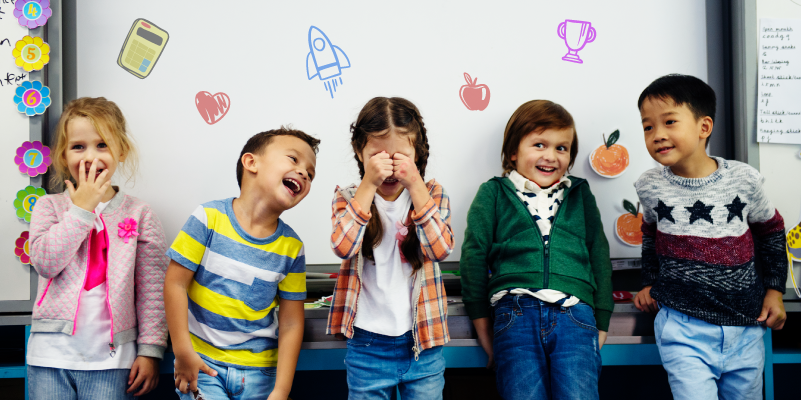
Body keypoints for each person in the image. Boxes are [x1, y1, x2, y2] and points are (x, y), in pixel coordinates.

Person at [633, 74, 788, 399]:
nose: (657, 135)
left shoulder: (744, 179)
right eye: (648, 127)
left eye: (669, 122)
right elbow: (650, 234)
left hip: (745, 325)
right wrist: (648, 281)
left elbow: (771, 232)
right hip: (682, 326)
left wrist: (775, 291)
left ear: (704, 127)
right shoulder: (649, 186)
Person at [461, 100, 613, 400]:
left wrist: (603, 323)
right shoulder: (492, 193)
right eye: (539, 144)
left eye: (562, 148)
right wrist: (483, 330)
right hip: (514, 316)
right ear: (513, 152)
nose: (551, 156)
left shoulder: (579, 193)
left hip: (576, 317)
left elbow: (598, 255)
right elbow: (473, 258)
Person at [27, 97, 169, 399]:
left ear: (121, 151)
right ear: (63, 156)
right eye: (78, 146)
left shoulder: (139, 214)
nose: (90, 156)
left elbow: (153, 290)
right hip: (49, 357)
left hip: (113, 361)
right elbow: (46, 263)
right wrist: (82, 209)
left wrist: (151, 350)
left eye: (102, 145)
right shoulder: (48, 207)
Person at [164, 127, 320, 400]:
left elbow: (292, 323)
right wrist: (183, 352)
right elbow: (175, 284)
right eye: (294, 159)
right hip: (203, 366)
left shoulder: (293, 248)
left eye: (310, 172)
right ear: (251, 163)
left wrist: (281, 391)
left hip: (261, 374)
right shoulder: (207, 218)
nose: (304, 173)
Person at [327, 97, 454, 399]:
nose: (389, 167)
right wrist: (368, 184)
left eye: (399, 157)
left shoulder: (432, 194)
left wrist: (416, 186)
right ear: (360, 152)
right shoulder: (347, 198)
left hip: (423, 340)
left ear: (416, 153)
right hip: (367, 345)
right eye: (377, 156)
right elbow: (343, 247)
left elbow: (440, 250)